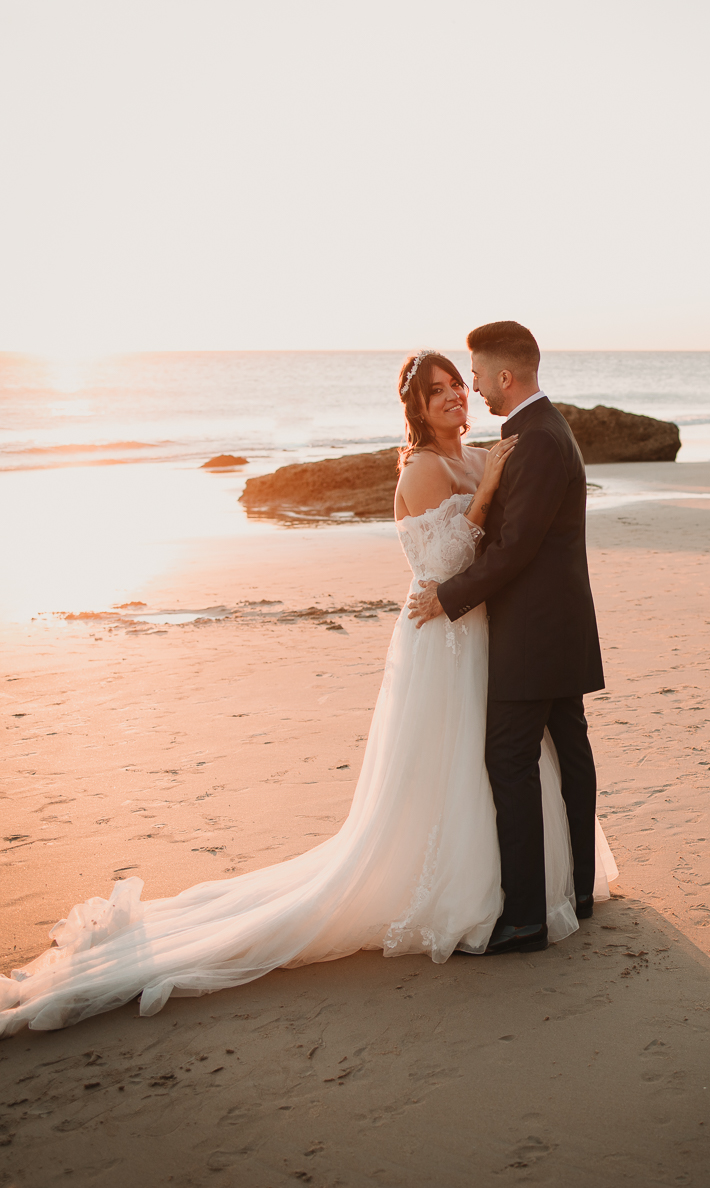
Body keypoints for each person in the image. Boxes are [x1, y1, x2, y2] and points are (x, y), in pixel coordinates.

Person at [0, 348, 616, 1038]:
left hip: (481, 635)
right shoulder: (421, 469)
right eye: (437, 391)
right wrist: (488, 494)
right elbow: (442, 563)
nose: (452, 399)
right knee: (453, 766)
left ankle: (523, 892)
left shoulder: (479, 457)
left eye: (455, 388)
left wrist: (495, 483)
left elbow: (505, 539)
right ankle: (466, 893)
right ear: (414, 406)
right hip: (441, 635)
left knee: (493, 762)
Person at [409, 322, 606, 956]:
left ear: (504, 377)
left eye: (472, 376)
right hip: (553, 627)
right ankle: (574, 891)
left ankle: (524, 918)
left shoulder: (539, 440)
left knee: (510, 761)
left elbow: (516, 548)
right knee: (568, 753)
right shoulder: (542, 430)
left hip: (533, 632)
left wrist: (448, 596)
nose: (470, 390)